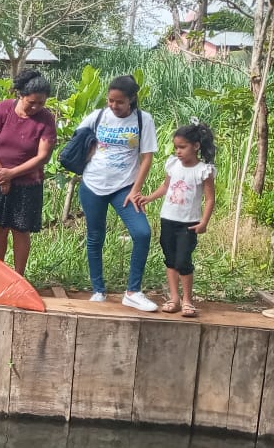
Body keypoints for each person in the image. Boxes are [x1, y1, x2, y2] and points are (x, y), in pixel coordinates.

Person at [78, 75, 158, 312]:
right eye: (110, 100)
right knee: (95, 236)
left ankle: (133, 292)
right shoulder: (98, 116)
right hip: (92, 184)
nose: (113, 106)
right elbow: (77, 140)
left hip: (124, 187)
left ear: (131, 100)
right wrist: (88, 154)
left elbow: (147, 158)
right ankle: (98, 290)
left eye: (119, 102)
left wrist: (135, 190)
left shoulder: (143, 120)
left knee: (142, 233)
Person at [0, 70, 57, 275]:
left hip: (27, 182)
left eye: (41, 103)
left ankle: (19, 276)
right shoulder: (3, 109)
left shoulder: (46, 120)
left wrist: (12, 174)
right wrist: (2, 175)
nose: (36, 107)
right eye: (31, 102)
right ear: (21, 95)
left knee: (21, 229)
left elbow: (42, 157)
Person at [141, 122, 216, 318]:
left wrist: (204, 222)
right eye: (176, 147)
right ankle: (174, 298)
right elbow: (166, 187)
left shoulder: (203, 170)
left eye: (182, 147)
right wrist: (149, 197)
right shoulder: (172, 164)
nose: (178, 151)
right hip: (168, 219)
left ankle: (188, 300)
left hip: (188, 223)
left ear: (196, 146)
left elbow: (210, 199)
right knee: (170, 260)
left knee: (183, 260)